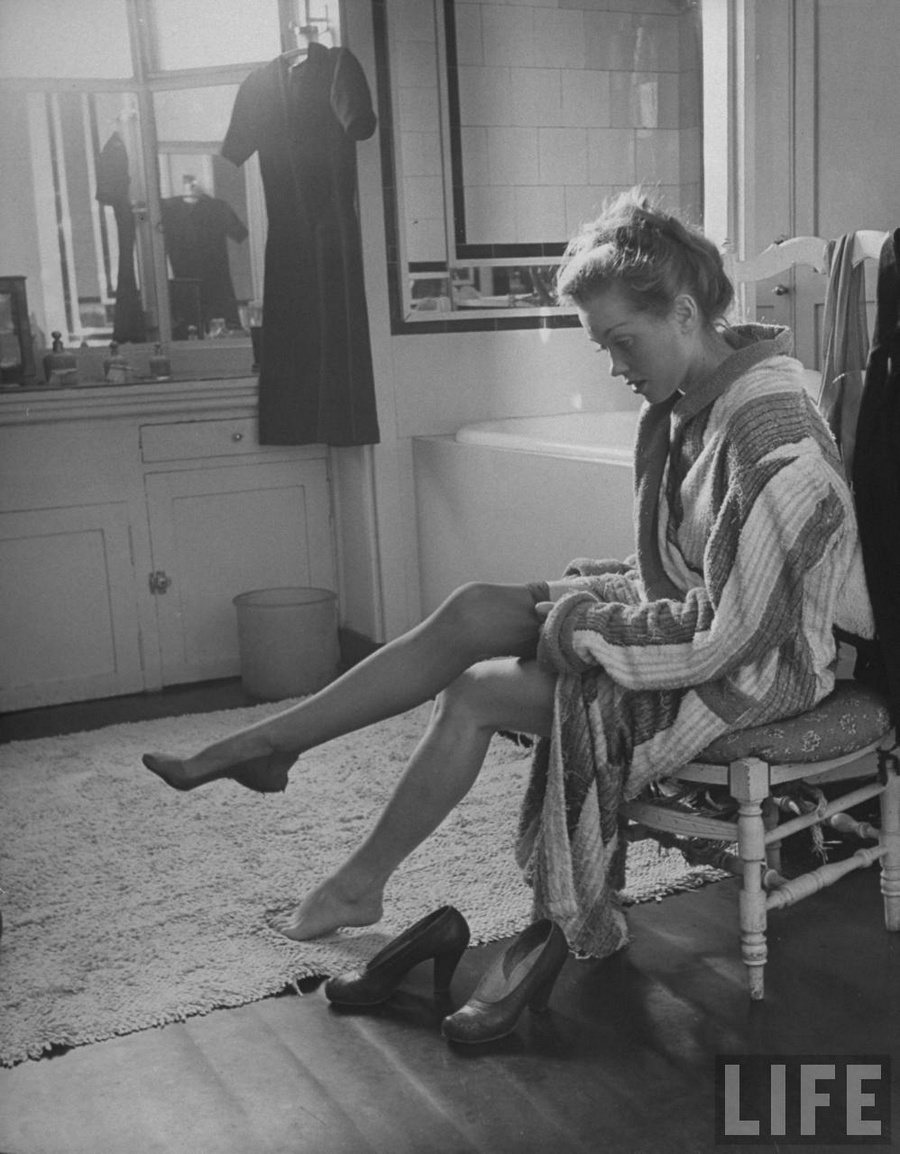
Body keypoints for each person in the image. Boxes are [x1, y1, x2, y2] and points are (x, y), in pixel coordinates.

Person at [143, 188, 873, 957]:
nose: (615, 367)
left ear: (685, 314)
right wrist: (590, 614)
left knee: (475, 693)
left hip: (760, 667)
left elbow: (735, 633)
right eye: (604, 347)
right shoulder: (693, 401)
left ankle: (356, 884)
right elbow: (682, 572)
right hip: (708, 619)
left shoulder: (770, 428)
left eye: (623, 342)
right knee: (471, 610)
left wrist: (581, 629)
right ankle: (273, 743)